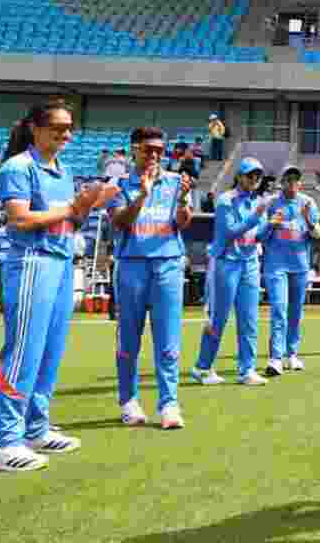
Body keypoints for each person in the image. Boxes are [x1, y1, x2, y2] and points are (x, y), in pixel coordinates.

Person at [0, 100, 118, 472]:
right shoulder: (18, 167)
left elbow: (71, 222)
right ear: (35, 128)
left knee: (50, 351)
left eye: (69, 127)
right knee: (23, 351)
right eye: (58, 127)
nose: (66, 134)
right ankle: (3, 442)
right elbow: (20, 219)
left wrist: (89, 205)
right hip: (32, 262)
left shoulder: (63, 170)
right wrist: (74, 206)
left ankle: (36, 429)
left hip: (61, 263)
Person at [107, 127, 193, 429]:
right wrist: (142, 195)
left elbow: (183, 223)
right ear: (134, 150)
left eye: (159, 150)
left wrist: (183, 201)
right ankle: (128, 401)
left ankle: (169, 403)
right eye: (148, 149)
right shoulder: (118, 185)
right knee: (129, 339)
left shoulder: (176, 182)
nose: (154, 155)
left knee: (168, 339)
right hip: (131, 266)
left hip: (168, 265)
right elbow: (119, 222)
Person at [192, 157, 272, 386]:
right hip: (226, 262)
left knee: (249, 318)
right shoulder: (225, 200)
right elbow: (229, 232)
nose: (255, 179)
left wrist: (271, 225)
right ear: (239, 177)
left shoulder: (258, 202)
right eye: (250, 175)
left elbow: (257, 236)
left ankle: (247, 370)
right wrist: (257, 215)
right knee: (218, 317)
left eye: (258, 175)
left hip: (249, 262)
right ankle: (202, 367)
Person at [260, 165, 320, 376]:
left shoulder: (308, 202)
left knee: (295, 312)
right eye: (288, 179)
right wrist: (271, 224)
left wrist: (307, 219)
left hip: (300, 265)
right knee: (279, 309)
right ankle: (275, 358)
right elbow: (260, 235)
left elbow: (318, 233)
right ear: (281, 183)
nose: (292, 183)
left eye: (296, 179)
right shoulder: (270, 203)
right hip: (276, 265)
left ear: (300, 183)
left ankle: (291, 354)